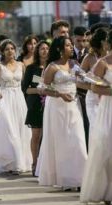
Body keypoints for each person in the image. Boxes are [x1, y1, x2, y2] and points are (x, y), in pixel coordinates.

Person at [36, 36, 87, 190]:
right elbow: (42, 88)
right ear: (59, 49)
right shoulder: (52, 67)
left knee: (77, 140)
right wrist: (59, 94)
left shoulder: (74, 64)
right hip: (57, 106)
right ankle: (66, 179)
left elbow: (85, 80)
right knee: (62, 142)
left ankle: (81, 177)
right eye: (68, 45)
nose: (71, 47)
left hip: (73, 105)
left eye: (72, 45)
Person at [80, 27, 112, 205]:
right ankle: (107, 190)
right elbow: (94, 87)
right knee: (109, 148)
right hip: (110, 108)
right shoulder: (103, 63)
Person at [0, 39, 32, 175]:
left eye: (12, 48)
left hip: (19, 98)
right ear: (2, 51)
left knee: (20, 128)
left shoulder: (21, 65)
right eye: (7, 49)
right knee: (9, 128)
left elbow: (25, 84)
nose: (10, 51)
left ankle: (21, 161)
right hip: (5, 97)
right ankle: (13, 162)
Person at [22, 40, 50, 176]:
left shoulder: (52, 67)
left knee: (48, 135)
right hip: (35, 104)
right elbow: (25, 89)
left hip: (51, 103)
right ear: (37, 51)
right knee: (36, 135)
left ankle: (47, 164)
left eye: (47, 48)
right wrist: (38, 91)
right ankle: (35, 162)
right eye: (42, 49)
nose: (45, 51)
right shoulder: (31, 68)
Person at [78, 28, 108, 143]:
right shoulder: (89, 58)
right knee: (99, 132)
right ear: (102, 42)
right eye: (108, 40)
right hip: (93, 100)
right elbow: (78, 80)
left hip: (109, 98)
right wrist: (92, 87)